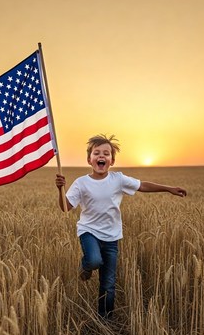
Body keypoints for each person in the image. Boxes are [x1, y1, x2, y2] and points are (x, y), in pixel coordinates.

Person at [55, 134, 187, 319]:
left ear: (112, 160)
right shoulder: (81, 183)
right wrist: (59, 189)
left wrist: (169, 188)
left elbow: (143, 186)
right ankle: (85, 266)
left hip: (112, 237)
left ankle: (105, 318)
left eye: (106, 154)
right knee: (93, 261)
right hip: (89, 231)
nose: (101, 156)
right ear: (89, 159)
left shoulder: (118, 179)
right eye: (97, 153)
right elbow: (65, 208)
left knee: (108, 282)